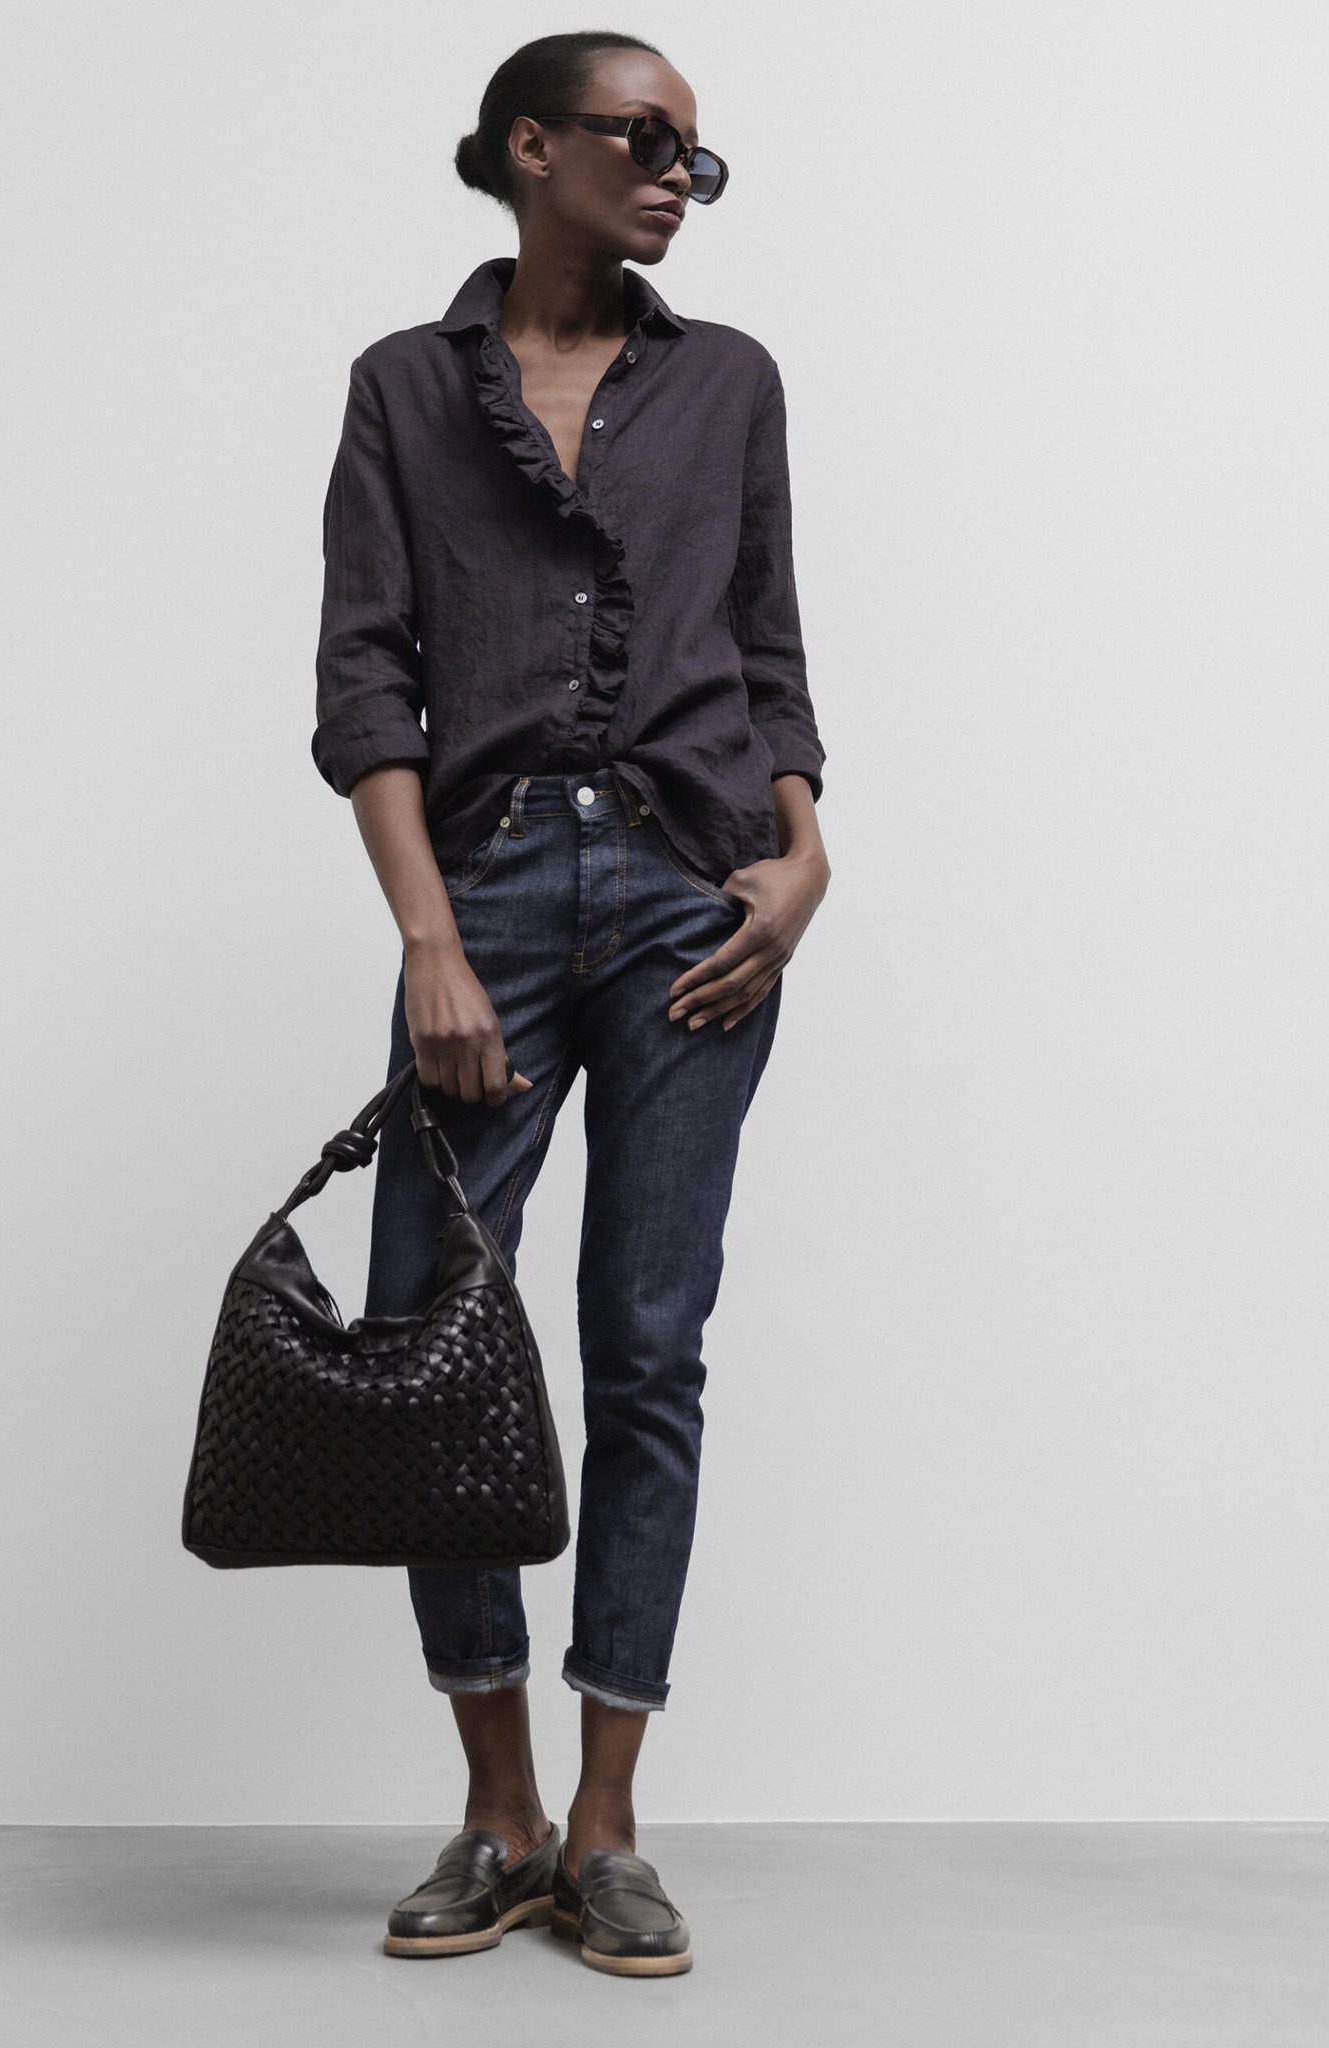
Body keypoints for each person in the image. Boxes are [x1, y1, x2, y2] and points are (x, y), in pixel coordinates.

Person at [312, 31, 831, 1977]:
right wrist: (429, 936)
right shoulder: (403, 387)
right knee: (434, 1335)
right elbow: (365, 677)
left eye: (700, 153)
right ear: (531, 147)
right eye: (645, 136)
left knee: (647, 1345)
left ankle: (606, 1823)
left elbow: (768, 649)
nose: (679, 173)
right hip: (494, 888)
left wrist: (804, 853)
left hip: (701, 894)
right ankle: (498, 1808)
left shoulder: (732, 382)